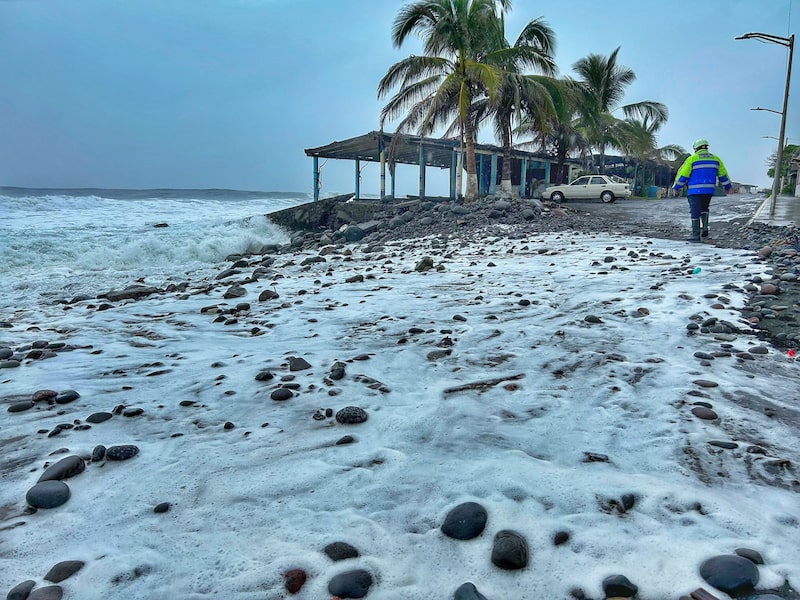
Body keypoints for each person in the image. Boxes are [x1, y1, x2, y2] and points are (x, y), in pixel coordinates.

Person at [672, 138, 732, 242]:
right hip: (708, 191)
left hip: (694, 191)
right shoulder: (716, 159)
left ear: (696, 148)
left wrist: (677, 187)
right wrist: (728, 186)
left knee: (695, 211)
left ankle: (696, 235)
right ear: (706, 147)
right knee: (705, 209)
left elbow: (683, 175)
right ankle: (705, 229)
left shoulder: (692, 159)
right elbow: (723, 174)